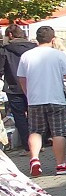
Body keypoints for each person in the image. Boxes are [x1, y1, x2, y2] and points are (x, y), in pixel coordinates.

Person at [17, 26, 66, 176]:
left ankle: (34, 159)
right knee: (58, 133)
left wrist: (28, 94)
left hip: (35, 100)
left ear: (37, 39)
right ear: (53, 39)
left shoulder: (26, 56)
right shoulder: (59, 55)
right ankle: (60, 164)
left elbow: (22, 79)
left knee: (35, 131)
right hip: (56, 99)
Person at [3, 25, 35, 153]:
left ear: (10, 35)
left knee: (19, 116)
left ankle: (28, 146)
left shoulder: (5, 50)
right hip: (33, 85)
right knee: (35, 114)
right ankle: (40, 141)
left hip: (13, 86)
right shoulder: (33, 48)